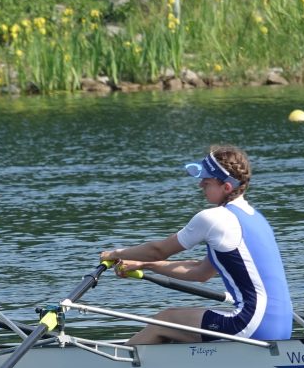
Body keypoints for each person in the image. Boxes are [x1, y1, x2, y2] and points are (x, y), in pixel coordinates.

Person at [100, 145, 293, 345]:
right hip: (282, 324)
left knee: (164, 320)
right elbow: (201, 272)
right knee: (176, 327)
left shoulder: (214, 218)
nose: (201, 185)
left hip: (252, 324)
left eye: (207, 181)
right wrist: (145, 265)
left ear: (226, 187)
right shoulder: (257, 218)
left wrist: (114, 253)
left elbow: (159, 250)